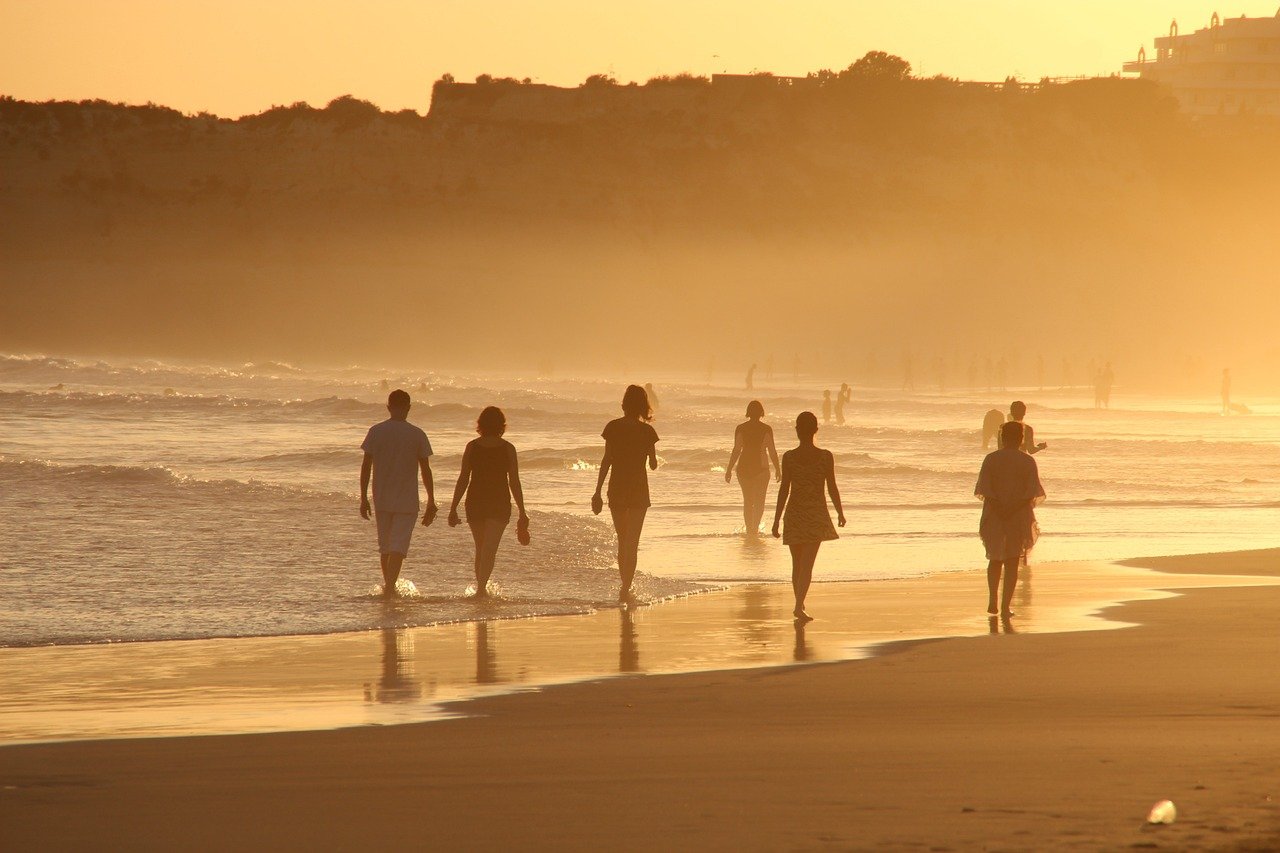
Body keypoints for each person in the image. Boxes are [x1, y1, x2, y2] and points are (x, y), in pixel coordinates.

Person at [360, 389, 437, 595]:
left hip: (381, 496)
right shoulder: (417, 434)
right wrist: (431, 499)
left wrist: (363, 497)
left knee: (385, 547)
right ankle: (390, 588)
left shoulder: (376, 431)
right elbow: (425, 469)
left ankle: (389, 588)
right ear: (409, 408)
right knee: (398, 547)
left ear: (388, 407)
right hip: (407, 498)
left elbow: (366, 466)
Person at [447, 406, 528, 597]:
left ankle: (480, 589)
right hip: (498, 502)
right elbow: (514, 482)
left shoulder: (472, 447)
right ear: (502, 425)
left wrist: (453, 508)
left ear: (480, 424)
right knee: (488, 548)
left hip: (476, 501)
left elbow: (463, 479)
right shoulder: (508, 448)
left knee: (482, 548)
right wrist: (522, 511)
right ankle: (481, 589)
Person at [772, 411, 845, 621]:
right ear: (815, 430)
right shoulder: (825, 456)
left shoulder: (789, 457)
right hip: (815, 515)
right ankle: (798, 605)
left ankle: (799, 604)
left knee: (797, 564)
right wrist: (840, 511)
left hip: (794, 514)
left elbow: (784, 489)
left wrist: (777, 519)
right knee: (807, 564)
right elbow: (832, 486)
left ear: (797, 431)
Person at [593, 385, 659, 602]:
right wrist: (649, 455)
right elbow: (653, 464)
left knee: (622, 539)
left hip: (617, 487)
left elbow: (607, 460)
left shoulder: (612, 427)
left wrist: (597, 492)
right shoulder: (648, 432)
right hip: (639, 489)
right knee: (633, 541)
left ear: (624, 403)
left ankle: (625, 585)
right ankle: (627, 587)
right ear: (643, 405)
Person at [975, 421, 1045, 619]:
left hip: (994, 513)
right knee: (1012, 560)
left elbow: (984, 489)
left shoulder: (991, 459)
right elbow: (1031, 491)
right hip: (1018, 514)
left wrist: (999, 509)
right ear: (1021, 439)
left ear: (1002, 437)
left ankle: (992, 601)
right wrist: (1012, 509)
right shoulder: (1027, 461)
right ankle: (1005, 607)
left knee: (995, 558)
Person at [725, 400, 781, 536]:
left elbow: (737, 450)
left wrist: (729, 469)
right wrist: (778, 469)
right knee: (759, 501)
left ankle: (750, 530)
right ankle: (754, 529)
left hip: (743, 469)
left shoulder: (740, 428)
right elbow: (772, 451)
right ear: (761, 412)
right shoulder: (767, 429)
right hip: (761, 469)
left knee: (748, 501)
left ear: (748, 412)